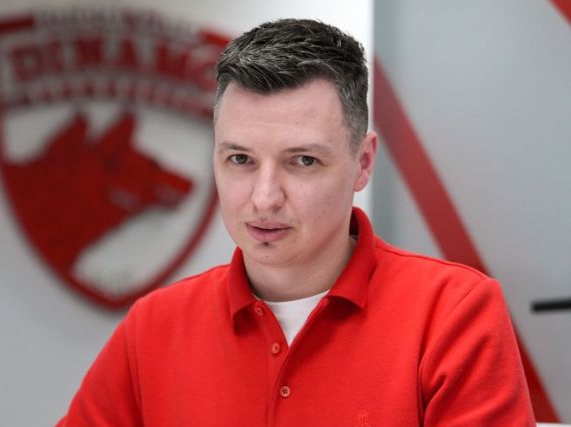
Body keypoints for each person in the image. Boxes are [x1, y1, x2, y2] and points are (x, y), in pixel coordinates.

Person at [58, 19, 535, 426]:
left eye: (303, 161)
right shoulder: (153, 327)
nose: (264, 198)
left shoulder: (453, 315)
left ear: (363, 163)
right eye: (240, 159)